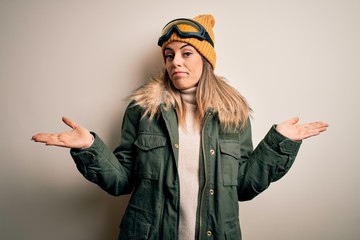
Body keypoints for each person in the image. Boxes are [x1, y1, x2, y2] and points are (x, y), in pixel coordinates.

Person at [32, 14, 328, 240]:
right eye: (169, 55)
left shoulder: (232, 115)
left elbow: (243, 187)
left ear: (206, 60)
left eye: (187, 53)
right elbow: (121, 181)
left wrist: (278, 145)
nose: (176, 62)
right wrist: (89, 148)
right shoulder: (142, 110)